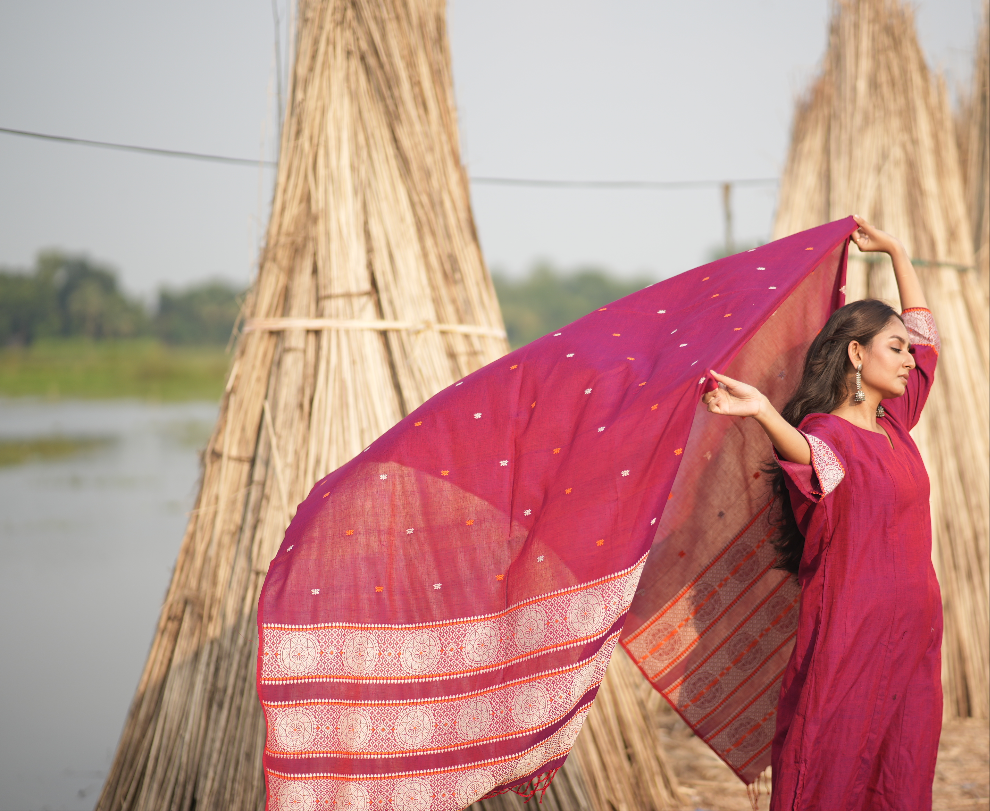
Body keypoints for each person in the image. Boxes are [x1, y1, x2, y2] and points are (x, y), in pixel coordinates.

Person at [702, 216, 942, 810]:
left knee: (901, 765)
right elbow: (817, 464)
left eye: (907, 353)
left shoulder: (896, 423)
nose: (909, 361)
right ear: (856, 353)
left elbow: (926, 340)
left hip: (914, 632)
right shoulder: (826, 434)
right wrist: (762, 412)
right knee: (830, 758)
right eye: (895, 350)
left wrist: (897, 252)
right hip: (850, 630)